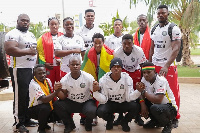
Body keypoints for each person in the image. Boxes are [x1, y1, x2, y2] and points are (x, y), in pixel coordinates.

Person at [4, 14, 38, 132]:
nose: (25, 23)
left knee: (28, 95)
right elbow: (9, 49)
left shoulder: (31, 34)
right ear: (17, 21)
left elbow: (35, 50)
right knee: (20, 96)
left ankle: (26, 119)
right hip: (19, 69)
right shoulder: (12, 34)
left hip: (30, 68)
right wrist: (28, 51)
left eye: (27, 21)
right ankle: (18, 123)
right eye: (23, 20)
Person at [93, 57, 144, 132]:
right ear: (110, 68)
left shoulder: (127, 78)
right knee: (100, 111)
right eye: (114, 67)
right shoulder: (103, 80)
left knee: (136, 107)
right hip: (110, 103)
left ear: (121, 68)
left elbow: (129, 98)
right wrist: (95, 92)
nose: (116, 69)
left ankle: (125, 121)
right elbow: (103, 99)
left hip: (123, 102)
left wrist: (138, 91)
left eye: (118, 67)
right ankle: (110, 119)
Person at [149, 5, 181, 123]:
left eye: (163, 13)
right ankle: (155, 118)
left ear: (168, 14)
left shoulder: (173, 28)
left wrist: (167, 65)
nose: (160, 15)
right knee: (154, 90)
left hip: (168, 66)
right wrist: (150, 64)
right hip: (155, 65)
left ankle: (175, 116)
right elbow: (152, 48)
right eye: (158, 13)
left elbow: (176, 48)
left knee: (172, 91)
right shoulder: (154, 28)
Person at [53, 56, 97, 133]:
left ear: (80, 65)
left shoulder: (88, 77)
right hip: (72, 102)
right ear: (69, 66)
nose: (75, 66)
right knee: (57, 104)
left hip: (86, 101)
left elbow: (94, 92)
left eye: (77, 64)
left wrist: (97, 87)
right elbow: (63, 97)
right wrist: (56, 90)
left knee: (92, 110)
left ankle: (88, 123)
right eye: (72, 65)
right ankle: (69, 125)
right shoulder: (65, 79)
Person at [113, 34, 147, 126]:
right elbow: (117, 67)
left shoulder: (139, 51)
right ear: (121, 44)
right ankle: (120, 116)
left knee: (137, 91)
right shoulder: (117, 52)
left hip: (136, 71)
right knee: (121, 91)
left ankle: (138, 116)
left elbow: (142, 66)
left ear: (133, 43)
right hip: (123, 71)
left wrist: (141, 80)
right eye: (124, 44)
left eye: (129, 43)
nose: (127, 46)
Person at [81, 33, 113, 125]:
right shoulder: (88, 52)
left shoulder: (109, 52)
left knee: (106, 96)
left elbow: (111, 67)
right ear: (93, 43)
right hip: (93, 76)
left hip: (105, 77)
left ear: (103, 42)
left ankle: (109, 116)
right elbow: (85, 67)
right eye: (95, 43)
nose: (98, 45)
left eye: (100, 42)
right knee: (92, 96)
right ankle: (92, 117)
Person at [137, 62, 177, 133]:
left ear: (155, 72)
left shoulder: (161, 81)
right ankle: (155, 121)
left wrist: (143, 92)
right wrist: (143, 104)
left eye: (149, 72)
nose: (146, 75)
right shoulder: (144, 79)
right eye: (144, 72)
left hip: (170, 107)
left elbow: (158, 100)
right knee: (137, 102)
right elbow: (140, 93)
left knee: (155, 108)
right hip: (156, 105)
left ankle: (168, 124)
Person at [28, 64, 61, 133]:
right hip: (34, 109)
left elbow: (52, 96)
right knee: (45, 107)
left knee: (60, 105)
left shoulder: (48, 80)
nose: (42, 75)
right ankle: (41, 128)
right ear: (35, 74)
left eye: (44, 73)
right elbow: (45, 100)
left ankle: (45, 123)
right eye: (39, 73)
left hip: (46, 105)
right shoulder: (33, 84)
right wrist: (57, 91)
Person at [37, 17, 63, 88]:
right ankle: (51, 99)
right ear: (49, 25)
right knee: (49, 85)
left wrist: (62, 61)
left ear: (58, 25)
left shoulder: (63, 36)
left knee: (62, 84)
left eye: (56, 24)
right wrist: (44, 63)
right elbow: (39, 53)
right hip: (49, 67)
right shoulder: (42, 38)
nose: (54, 26)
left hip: (61, 66)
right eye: (52, 24)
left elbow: (66, 51)